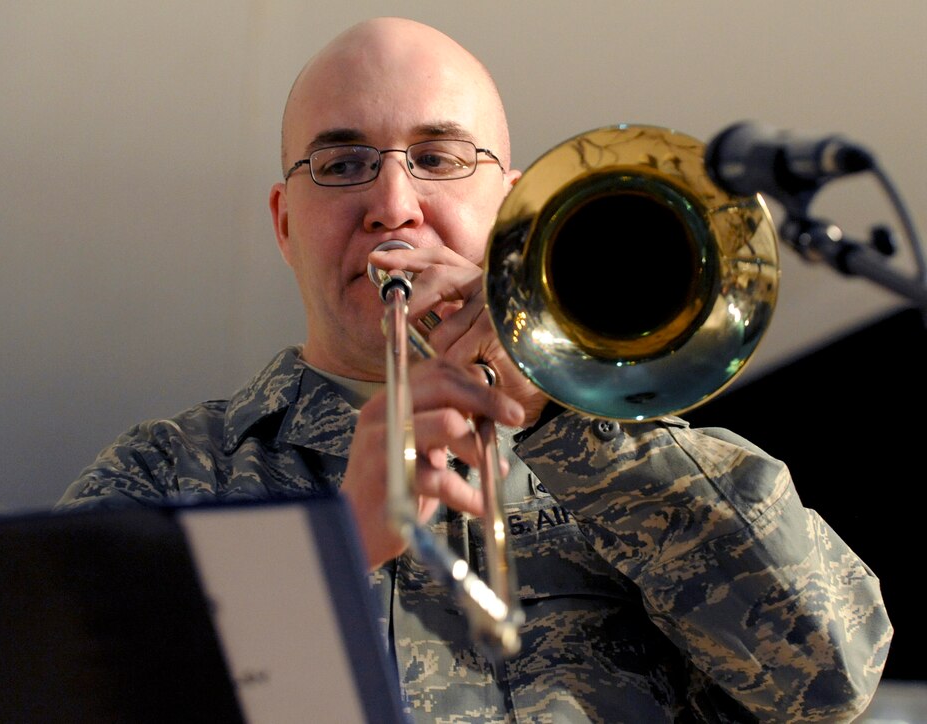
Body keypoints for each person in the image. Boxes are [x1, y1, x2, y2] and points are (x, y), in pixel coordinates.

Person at [57, 16, 892, 722]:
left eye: (439, 158)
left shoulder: (660, 463)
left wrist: (568, 421)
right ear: (285, 223)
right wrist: (333, 553)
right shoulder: (163, 474)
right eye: (343, 164)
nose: (392, 204)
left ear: (512, 208)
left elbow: (830, 683)